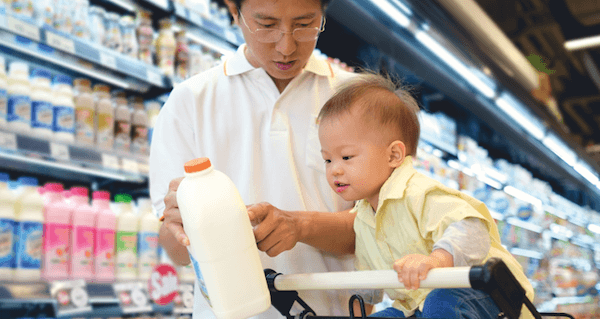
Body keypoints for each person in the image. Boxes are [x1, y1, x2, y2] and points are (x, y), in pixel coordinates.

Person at [149, 0, 364, 317]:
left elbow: (389, 226)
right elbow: (177, 251)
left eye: (305, 24)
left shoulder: (359, 98)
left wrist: (301, 226)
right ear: (234, 11)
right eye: (266, 25)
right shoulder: (190, 101)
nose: (286, 45)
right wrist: (179, 225)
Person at [316, 72, 536, 318]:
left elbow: (472, 229)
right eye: (327, 159)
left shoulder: (417, 193)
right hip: (419, 307)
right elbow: (368, 280)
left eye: (346, 157)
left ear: (393, 156)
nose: (334, 168)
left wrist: (436, 260)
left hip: (490, 296)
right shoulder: (364, 219)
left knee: (441, 302)